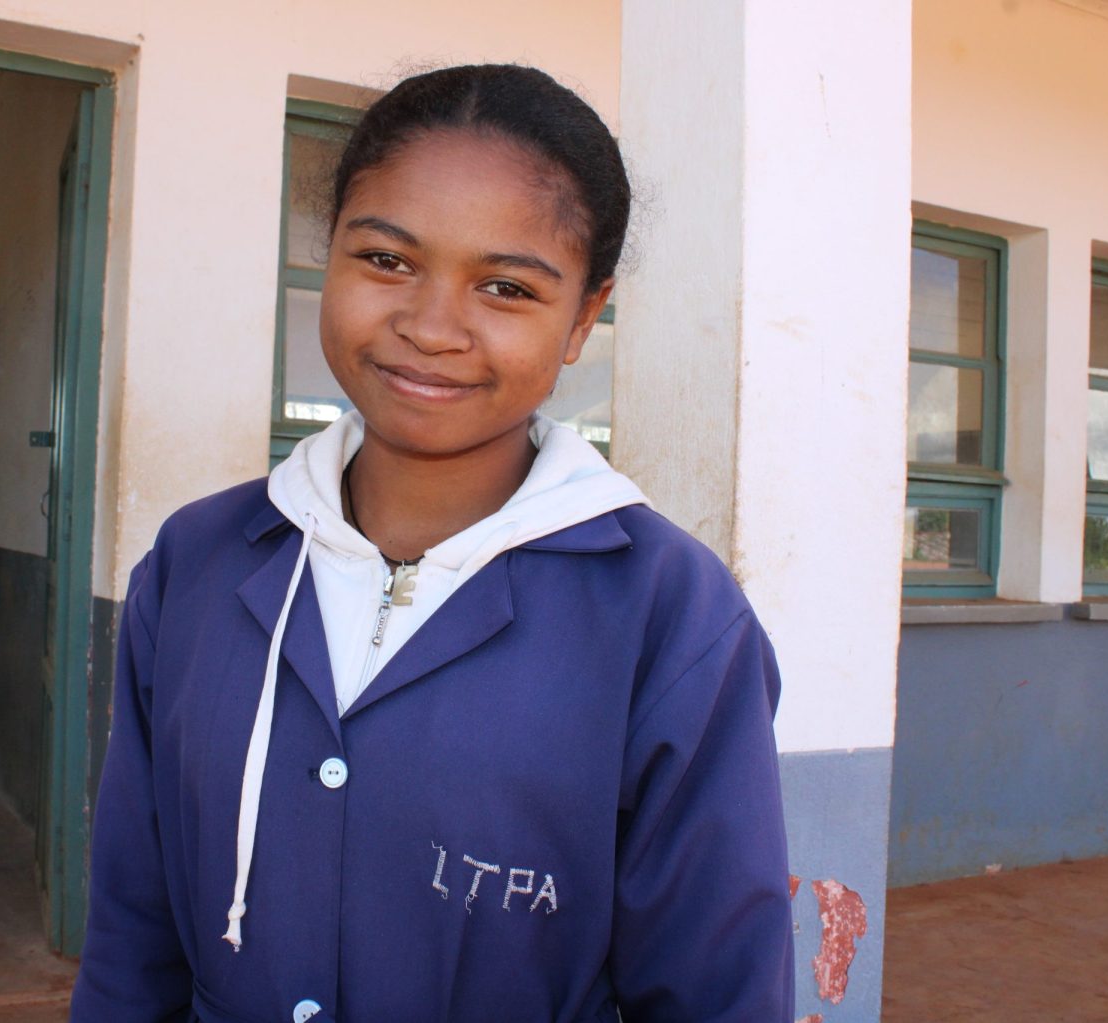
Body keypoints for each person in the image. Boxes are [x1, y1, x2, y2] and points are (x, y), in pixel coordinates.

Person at [72, 65, 793, 1021]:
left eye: (505, 287)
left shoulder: (672, 615)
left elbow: (715, 991)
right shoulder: (197, 563)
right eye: (387, 261)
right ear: (328, 255)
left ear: (583, 317)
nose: (431, 326)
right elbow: (134, 927)